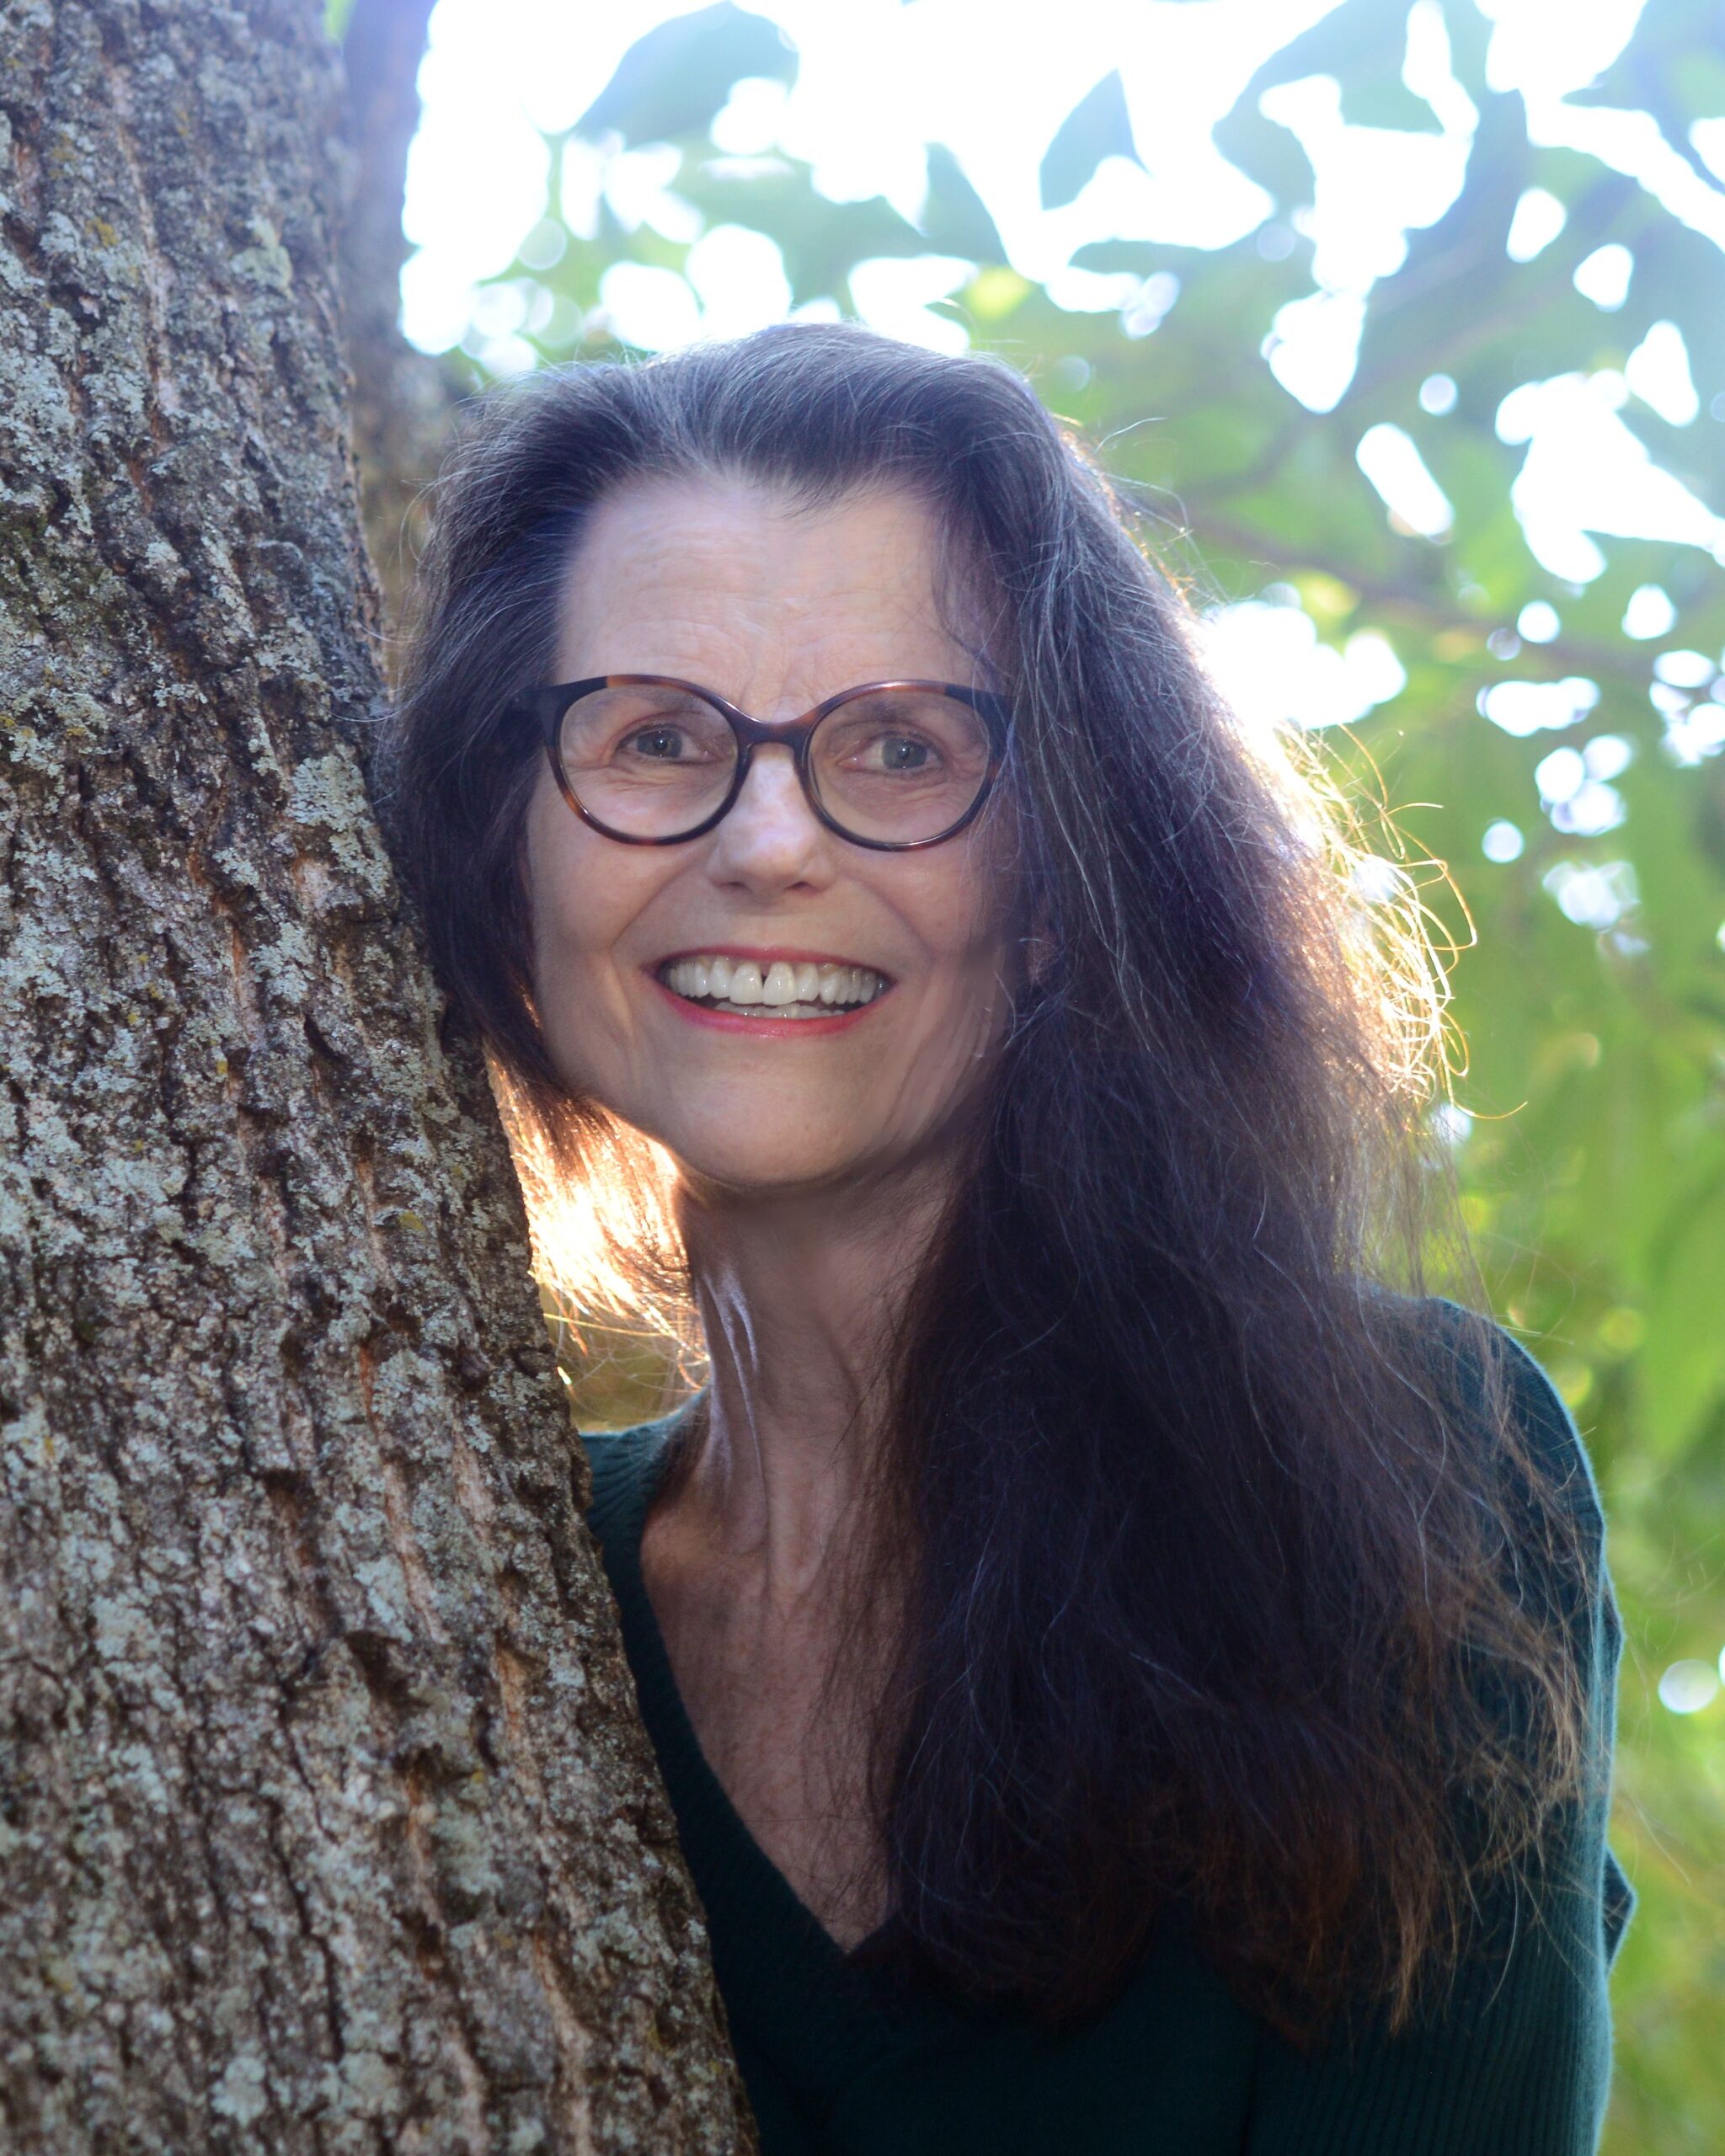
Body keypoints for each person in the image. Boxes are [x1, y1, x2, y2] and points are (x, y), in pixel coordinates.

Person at [387, 323, 1633, 2154]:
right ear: (510, 862)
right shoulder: (462, 1576)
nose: (768, 838)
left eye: (898, 745)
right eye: (653, 736)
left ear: (1064, 885)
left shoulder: (1406, 1471)